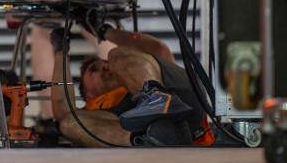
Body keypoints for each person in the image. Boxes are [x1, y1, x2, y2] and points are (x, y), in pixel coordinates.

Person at [50, 25, 215, 147]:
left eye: (104, 64)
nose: (104, 67)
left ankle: (155, 97)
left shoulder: (134, 68)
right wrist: (60, 52)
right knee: (68, 123)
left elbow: (158, 48)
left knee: (115, 53)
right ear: (89, 95)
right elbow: (62, 108)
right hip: (166, 138)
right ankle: (152, 138)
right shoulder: (95, 113)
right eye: (94, 70)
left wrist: (105, 31)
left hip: (183, 104)